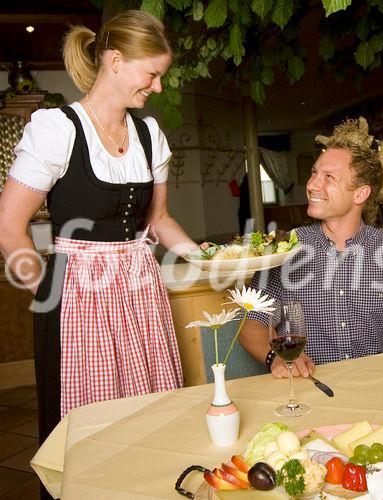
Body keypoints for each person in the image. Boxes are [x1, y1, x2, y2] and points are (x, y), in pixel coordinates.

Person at [0, 10, 198, 451]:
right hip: (77, 298)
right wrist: (51, 295)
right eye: (152, 74)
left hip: (140, 291)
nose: (158, 87)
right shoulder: (57, 129)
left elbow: (159, 220)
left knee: (154, 419)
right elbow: (9, 227)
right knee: (94, 432)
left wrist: (205, 256)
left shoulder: (149, 135)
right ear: (115, 60)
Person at [239, 136, 383, 378]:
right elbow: (252, 326)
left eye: (328, 178)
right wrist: (275, 357)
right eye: (314, 173)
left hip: (372, 388)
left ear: (360, 194)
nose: (312, 185)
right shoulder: (283, 250)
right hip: (305, 387)